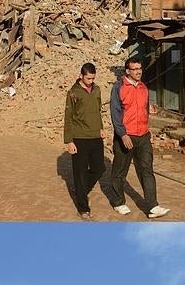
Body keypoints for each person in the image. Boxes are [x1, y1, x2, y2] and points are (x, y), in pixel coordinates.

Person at [110, 56, 169, 219]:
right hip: (126, 136)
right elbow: (115, 112)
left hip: (143, 136)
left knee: (147, 170)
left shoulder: (143, 87)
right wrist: (122, 134)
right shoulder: (118, 87)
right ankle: (118, 202)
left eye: (140, 68)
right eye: (134, 69)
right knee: (120, 171)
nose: (138, 72)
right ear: (127, 71)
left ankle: (152, 206)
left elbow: (144, 108)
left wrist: (149, 112)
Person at [63, 62, 105, 219]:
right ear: (81, 76)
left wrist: (101, 128)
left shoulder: (97, 90)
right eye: (88, 78)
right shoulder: (73, 93)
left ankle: (81, 190)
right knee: (79, 173)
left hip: (95, 136)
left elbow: (98, 110)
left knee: (99, 168)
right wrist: (69, 140)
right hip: (79, 137)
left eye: (93, 78)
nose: (91, 81)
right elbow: (68, 117)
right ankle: (83, 208)